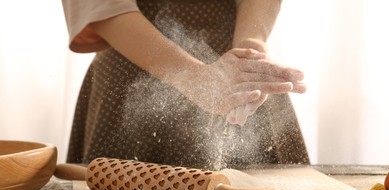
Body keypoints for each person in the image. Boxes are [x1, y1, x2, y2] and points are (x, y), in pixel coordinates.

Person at [61, 0, 310, 170]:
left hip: (242, 76)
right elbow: (101, 6)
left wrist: (250, 49)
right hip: (132, 67)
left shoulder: (244, 69)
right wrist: (194, 77)